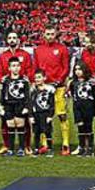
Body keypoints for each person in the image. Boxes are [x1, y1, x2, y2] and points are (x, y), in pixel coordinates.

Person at [34, 27, 72, 156]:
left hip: (58, 87)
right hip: (44, 88)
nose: (49, 36)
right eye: (47, 34)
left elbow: (66, 67)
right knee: (43, 116)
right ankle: (45, 144)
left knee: (62, 115)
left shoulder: (62, 49)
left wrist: (58, 81)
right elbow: (37, 68)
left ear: (55, 35)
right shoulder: (38, 50)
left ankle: (65, 143)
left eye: (52, 34)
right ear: (44, 34)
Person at [0, 57, 32, 157]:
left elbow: (27, 95)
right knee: (10, 126)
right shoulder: (6, 80)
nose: (16, 68)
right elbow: (2, 94)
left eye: (18, 66)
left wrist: (26, 106)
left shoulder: (24, 80)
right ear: (9, 68)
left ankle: (21, 148)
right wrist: (1, 106)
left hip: (20, 105)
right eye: (13, 66)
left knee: (20, 126)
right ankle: (10, 149)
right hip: (8, 105)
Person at [69, 63, 95, 156]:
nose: (77, 71)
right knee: (80, 127)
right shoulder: (73, 83)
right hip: (78, 108)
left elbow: (94, 95)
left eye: (80, 69)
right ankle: (81, 147)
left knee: (88, 127)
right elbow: (74, 96)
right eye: (76, 69)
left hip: (88, 107)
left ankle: (90, 148)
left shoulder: (91, 82)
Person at [29, 70, 57, 156]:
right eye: (36, 78)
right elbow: (30, 103)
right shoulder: (33, 90)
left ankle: (50, 148)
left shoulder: (49, 90)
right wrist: (31, 116)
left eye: (39, 77)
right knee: (36, 132)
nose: (37, 79)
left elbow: (52, 104)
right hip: (36, 114)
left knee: (47, 132)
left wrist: (50, 115)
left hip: (45, 114)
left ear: (44, 78)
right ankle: (36, 148)